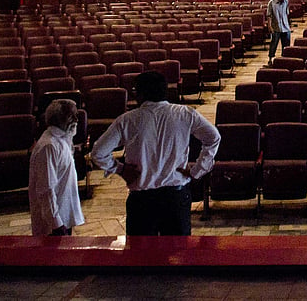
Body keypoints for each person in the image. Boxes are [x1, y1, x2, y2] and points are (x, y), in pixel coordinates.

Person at [90, 70, 220, 236]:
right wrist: (198, 170)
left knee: (142, 256)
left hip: (142, 200)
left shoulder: (128, 120)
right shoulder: (185, 113)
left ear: (140, 94)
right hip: (176, 196)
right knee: (177, 254)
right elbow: (213, 137)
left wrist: (120, 169)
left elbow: (98, 153)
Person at [28, 98, 85, 236]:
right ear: (61, 119)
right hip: (52, 224)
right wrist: (56, 223)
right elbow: (46, 189)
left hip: (63, 215)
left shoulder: (62, 140)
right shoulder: (49, 146)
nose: (76, 120)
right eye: (72, 116)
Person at [266, 0, 291, 64]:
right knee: (273, 44)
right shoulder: (271, 3)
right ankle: (270, 59)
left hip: (285, 27)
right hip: (275, 27)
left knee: (286, 45)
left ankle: (285, 59)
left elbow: (286, 14)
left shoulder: (286, 2)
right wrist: (269, 26)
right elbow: (269, 15)